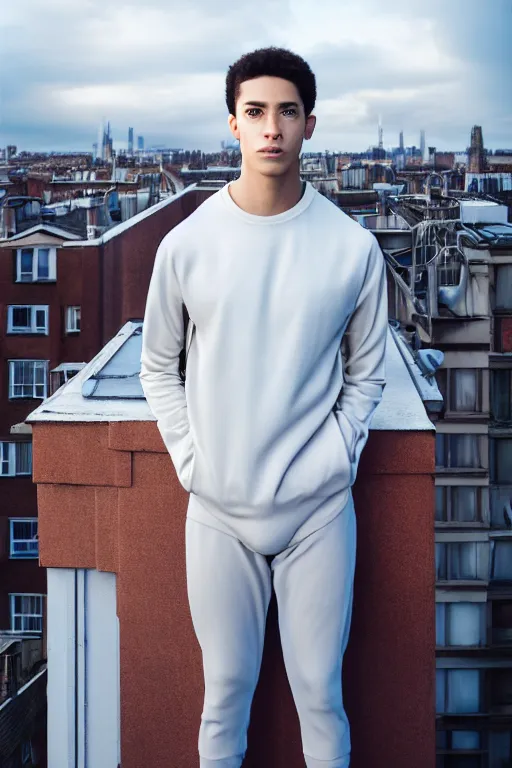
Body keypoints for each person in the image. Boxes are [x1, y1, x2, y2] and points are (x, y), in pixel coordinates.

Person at [140, 46, 388, 768]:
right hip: (218, 511)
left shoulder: (352, 248)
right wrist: (193, 461)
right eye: (255, 112)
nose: (271, 127)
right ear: (233, 125)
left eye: (286, 112)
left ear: (310, 124)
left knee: (321, 695)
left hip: (317, 512)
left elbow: (367, 374)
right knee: (224, 696)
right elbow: (158, 364)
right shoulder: (186, 246)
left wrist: (335, 457)